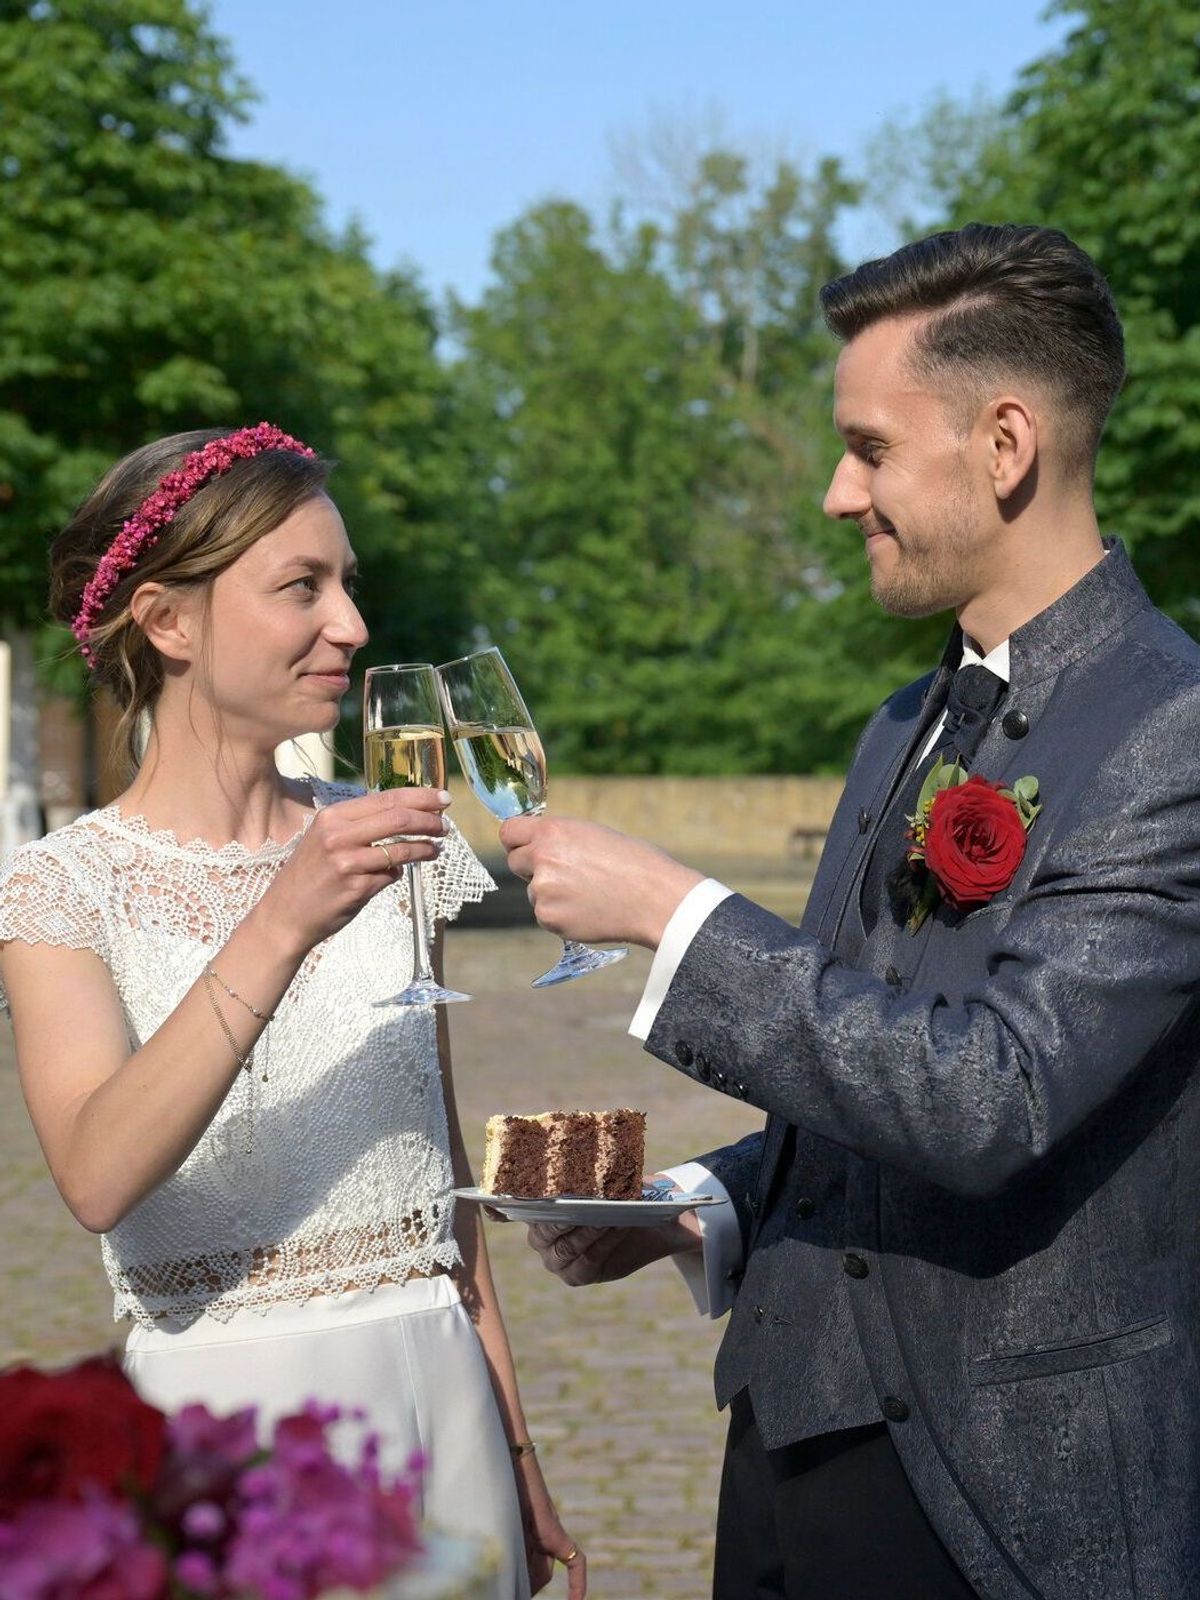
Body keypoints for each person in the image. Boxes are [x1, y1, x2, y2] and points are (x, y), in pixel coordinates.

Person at [500, 224, 1200, 1599]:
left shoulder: (1175, 732)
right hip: (783, 1451)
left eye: (869, 448)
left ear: (1005, 447)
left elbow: (995, 1094)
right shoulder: (905, 720)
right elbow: (875, 1056)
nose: (836, 492)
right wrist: (706, 1208)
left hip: (1006, 1499)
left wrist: (676, 913)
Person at [0, 424, 585, 1600]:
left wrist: (513, 1445)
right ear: (167, 623)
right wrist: (280, 919)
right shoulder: (63, 885)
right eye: (301, 587)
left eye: (349, 584)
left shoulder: (393, 844)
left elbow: (442, 1195)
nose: (353, 626)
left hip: (439, 1403)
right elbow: (98, 1174)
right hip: (230, 1443)